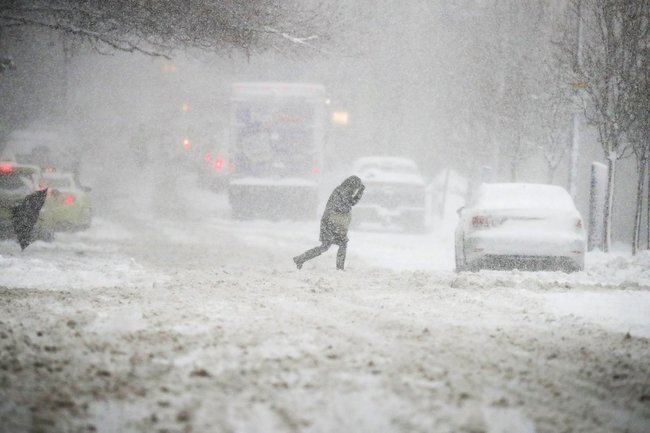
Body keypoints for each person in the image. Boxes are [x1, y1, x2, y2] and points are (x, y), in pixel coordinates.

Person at [293, 175, 365, 270]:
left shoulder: (343, 191)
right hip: (331, 222)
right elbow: (346, 205)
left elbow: (351, 203)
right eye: (356, 187)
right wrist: (359, 193)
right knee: (339, 244)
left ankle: (300, 259)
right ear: (352, 185)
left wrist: (360, 192)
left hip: (332, 222)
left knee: (326, 246)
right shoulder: (341, 191)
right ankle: (339, 268)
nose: (355, 189)